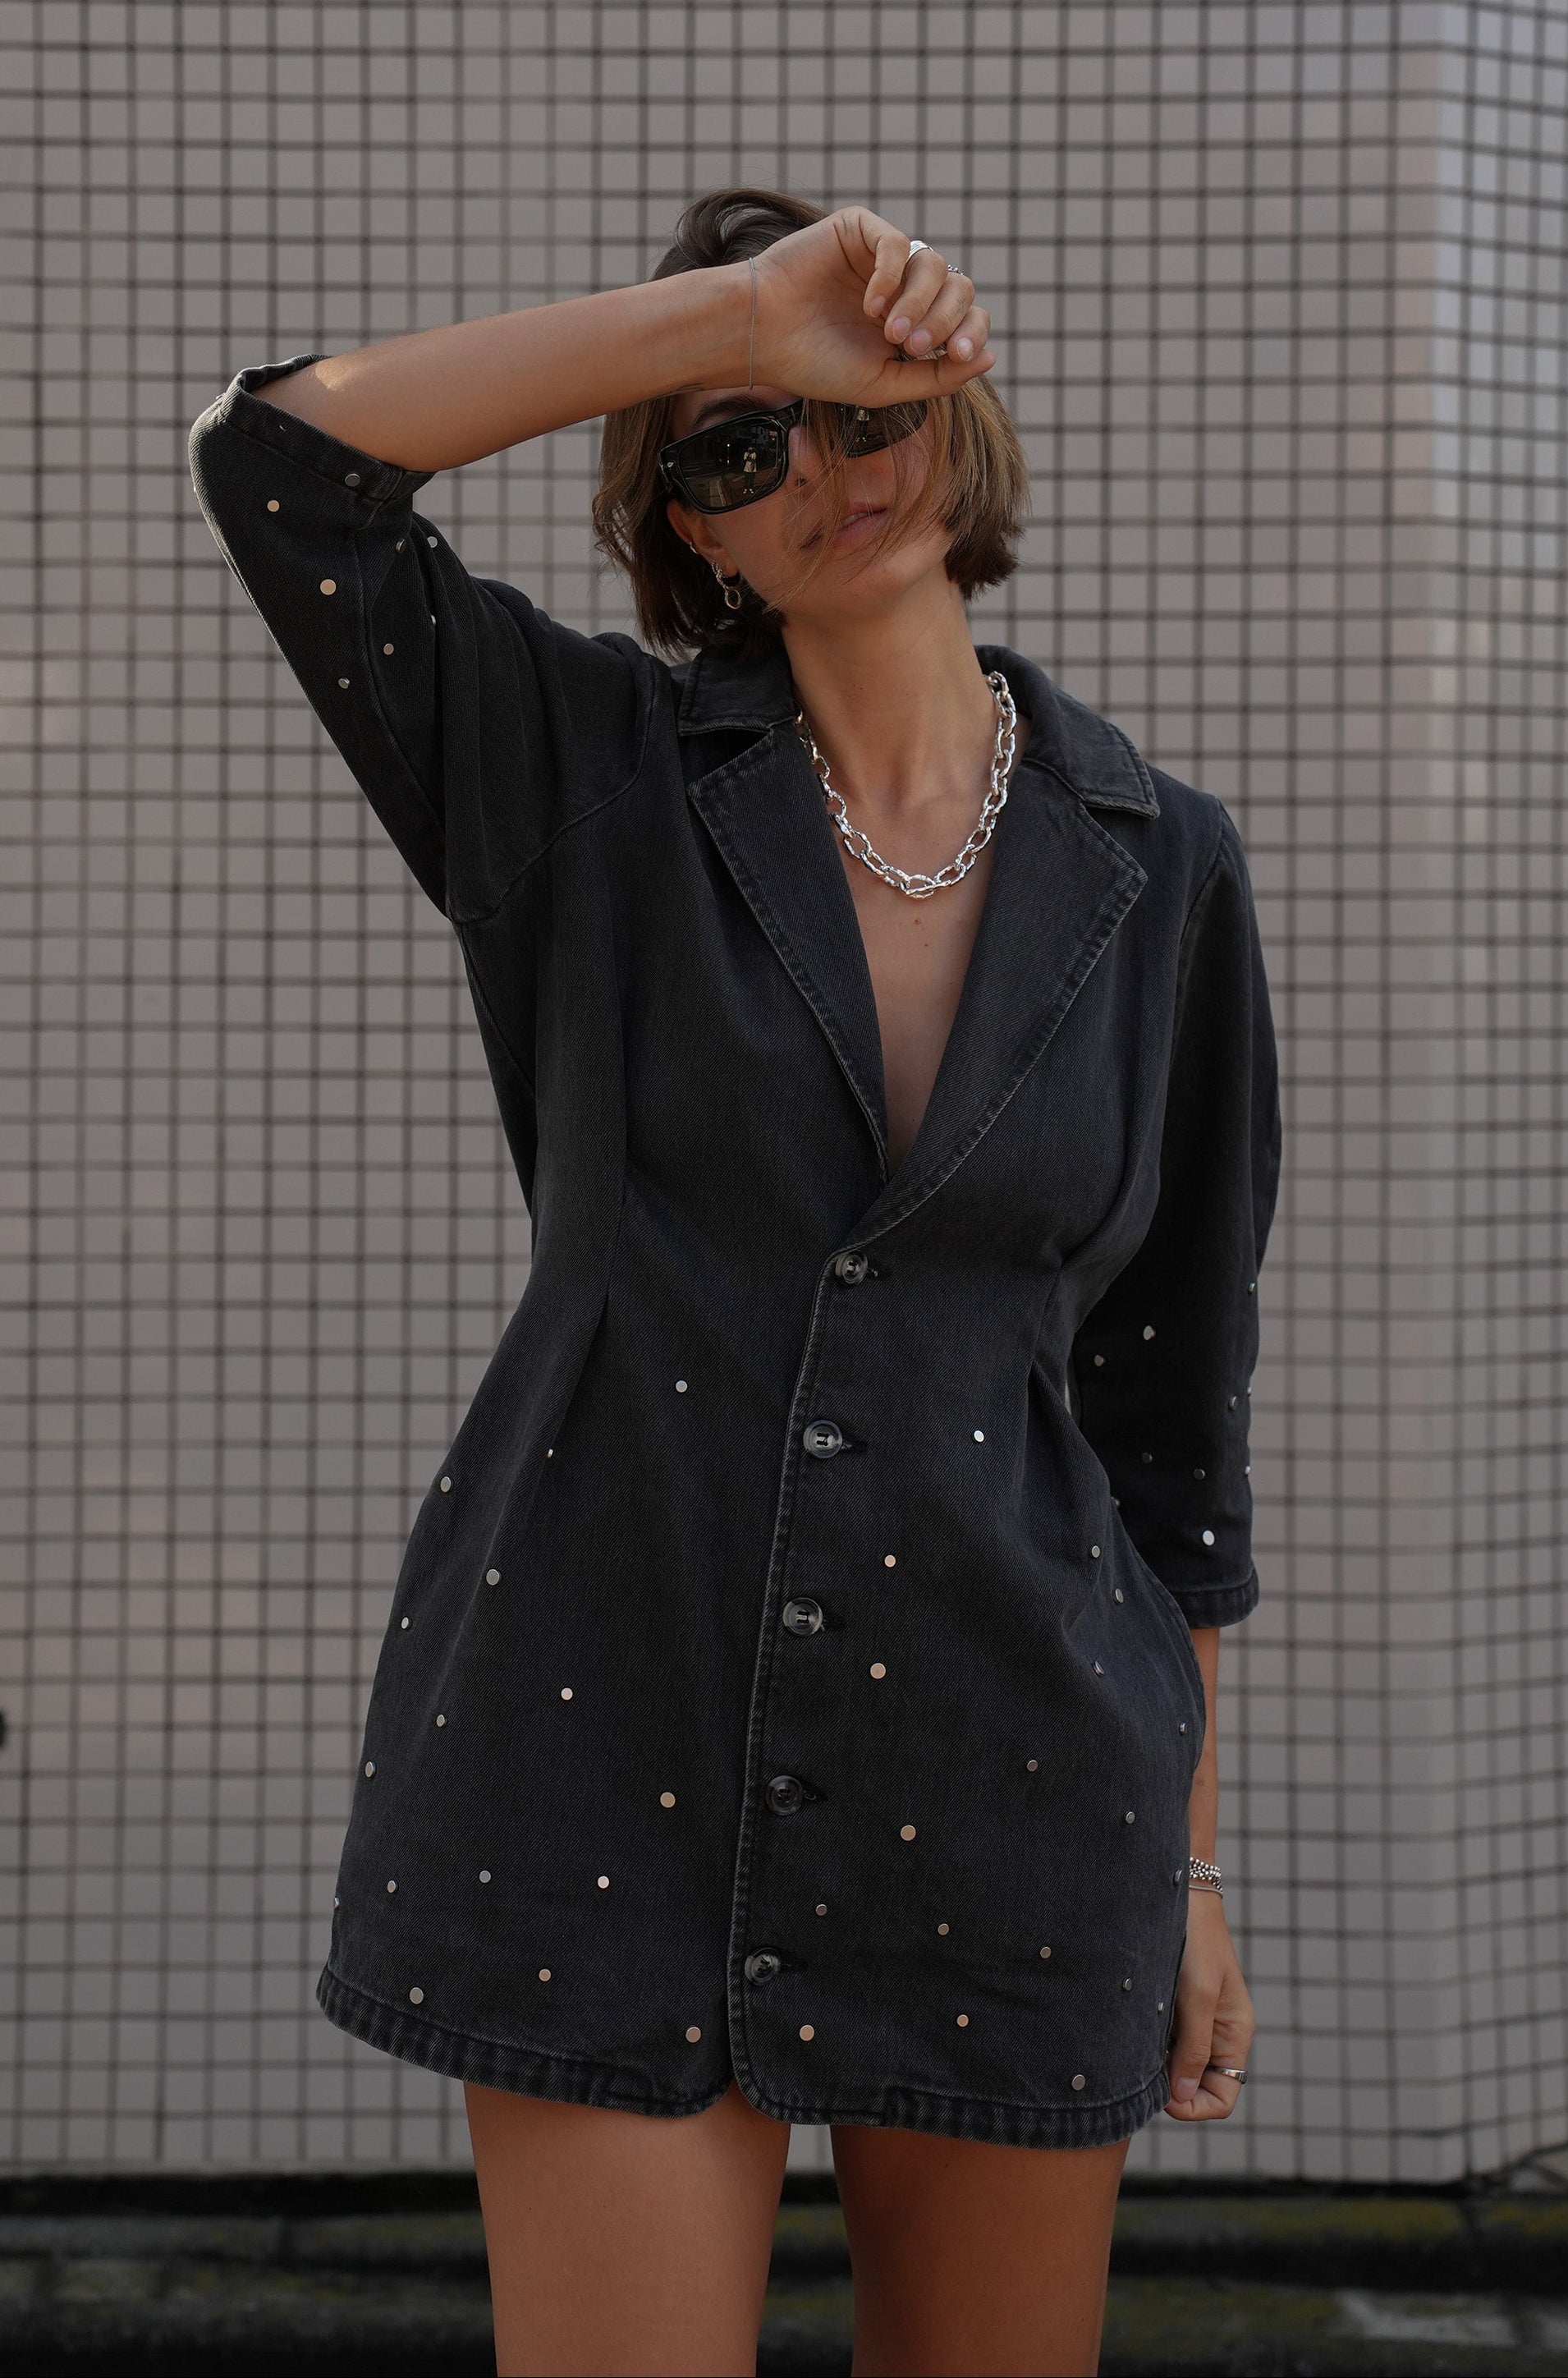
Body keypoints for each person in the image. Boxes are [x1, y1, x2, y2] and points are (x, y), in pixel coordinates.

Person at [189, 186, 1280, 2378]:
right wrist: (737, 312)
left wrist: (1188, 1881)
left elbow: (1167, 1422)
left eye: (846, 414)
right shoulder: (579, 781)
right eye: (728, 453)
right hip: (608, 1734)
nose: (812, 476)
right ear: (679, 532)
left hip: (1024, 1763)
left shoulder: (1157, 863)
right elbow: (282, 462)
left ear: (947, 415)